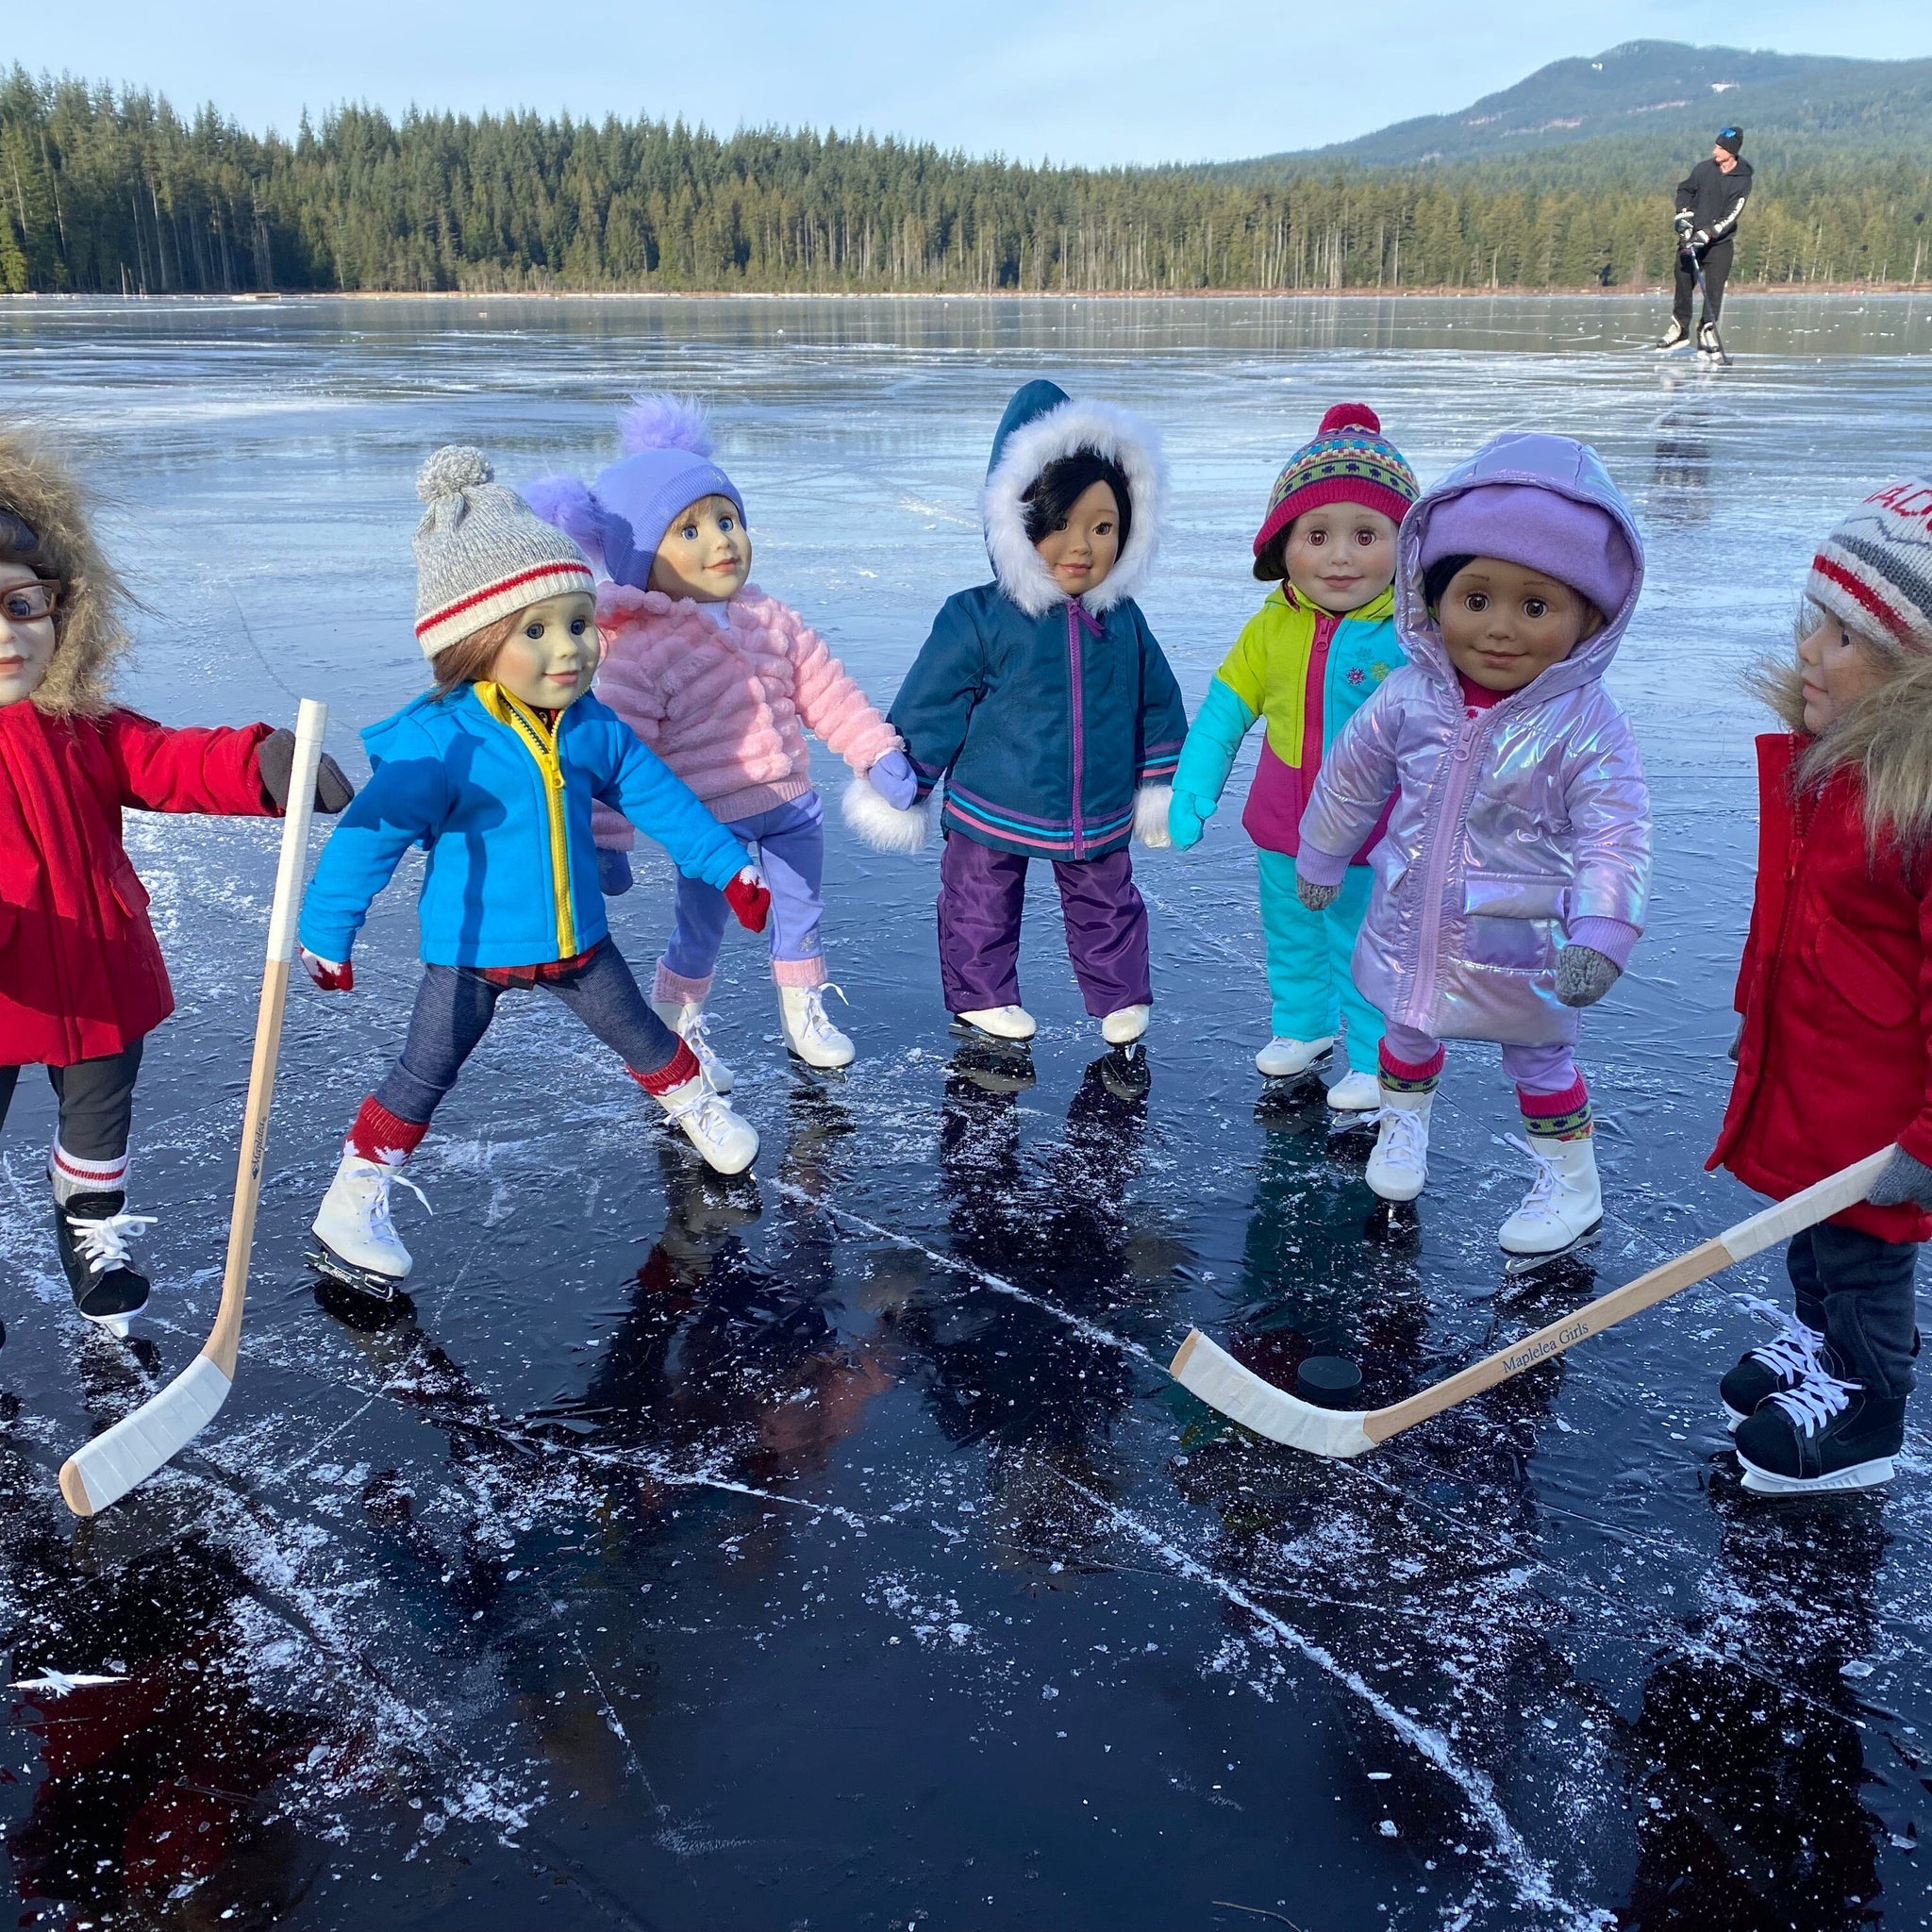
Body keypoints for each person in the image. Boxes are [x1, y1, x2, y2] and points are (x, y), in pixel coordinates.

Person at [298, 447, 769, 1296]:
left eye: (580, 624)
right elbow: (368, 836)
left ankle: (697, 1108)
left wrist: (728, 867)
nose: (569, 652)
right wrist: (327, 932)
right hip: (471, 950)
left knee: (644, 1036)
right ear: (475, 643)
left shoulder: (592, 726)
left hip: (578, 942)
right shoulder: (442, 744)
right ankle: (354, 1196)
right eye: (537, 631)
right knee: (422, 1072)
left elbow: (663, 800)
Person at [0, 429, 353, 1335]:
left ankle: (89, 1229)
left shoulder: (81, 723)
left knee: (100, 1111)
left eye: (21, 605)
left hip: (99, 966)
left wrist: (262, 766)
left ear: (61, 610)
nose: (6, 635)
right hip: (9, 979)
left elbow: (164, 760)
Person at [1297, 432, 1651, 1266]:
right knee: (1407, 1026)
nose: (1499, 630)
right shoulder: (1412, 692)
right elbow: (1353, 773)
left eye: (1535, 607)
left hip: (1522, 939)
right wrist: (1322, 852)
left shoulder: (1585, 724)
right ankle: (1401, 1130)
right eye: (1476, 598)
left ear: (1588, 620)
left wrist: (1604, 931)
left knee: (1540, 1056)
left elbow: (1617, 833)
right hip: (1412, 916)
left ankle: (1571, 1182)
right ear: (1434, 598)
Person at [527, 396, 909, 1080]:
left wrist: (875, 752)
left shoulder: (769, 616)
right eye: (691, 531)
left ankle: (803, 1015)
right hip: (708, 828)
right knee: (701, 932)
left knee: (801, 914)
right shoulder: (638, 653)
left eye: (726, 519)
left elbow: (826, 690)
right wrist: (606, 843)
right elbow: (617, 757)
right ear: (641, 559)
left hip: (792, 806)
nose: (722, 541)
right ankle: (679, 1026)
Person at [1709, 477, 1932, 1494]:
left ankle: (1867, 1405)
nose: (1807, 650)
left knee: (1862, 1257)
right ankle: (1817, 1345)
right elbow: (1797, 916)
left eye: (1841, 636)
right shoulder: (1829, 768)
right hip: (1814, 1068)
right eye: (1815, 623)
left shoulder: (1912, 804)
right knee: (1812, 1239)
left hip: (1883, 1110)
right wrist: (1759, 1021)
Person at [850, 379, 1187, 1049]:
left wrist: (1160, 785)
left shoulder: (1123, 621)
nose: (1080, 547)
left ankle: (1119, 995)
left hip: (1096, 805)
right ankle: (982, 994)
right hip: (992, 800)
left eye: (1102, 526)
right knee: (979, 897)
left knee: (1108, 901)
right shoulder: (976, 617)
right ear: (1014, 522)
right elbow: (933, 701)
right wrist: (905, 775)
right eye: (1058, 525)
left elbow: (1158, 702)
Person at [1167, 402, 1419, 1107]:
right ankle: (1301, 1027)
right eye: (1318, 534)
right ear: (1282, 545)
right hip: (1282, 823)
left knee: (1368, 947)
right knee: (1292, 934)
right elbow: (1225, 714)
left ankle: (1374, 1058)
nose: (1341, 555)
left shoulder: (1412, 637)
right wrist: (1193, 791)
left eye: (1366, 534)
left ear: (1407, 546)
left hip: (1375, 836)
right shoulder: (1267, 629)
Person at [1657, 126, 1753, 355]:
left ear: (1731, 152)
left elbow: (1732, 214)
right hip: (1691, 239)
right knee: (1682, 281)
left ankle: (1706, 331)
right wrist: (1683, 216)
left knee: (1714, 289)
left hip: (1719, 243)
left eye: (1719, 148)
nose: (1714, 151)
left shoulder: (1743, 180)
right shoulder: (1703, 170)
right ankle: (1679, 329)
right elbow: (1685, 190)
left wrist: (1709, 233)